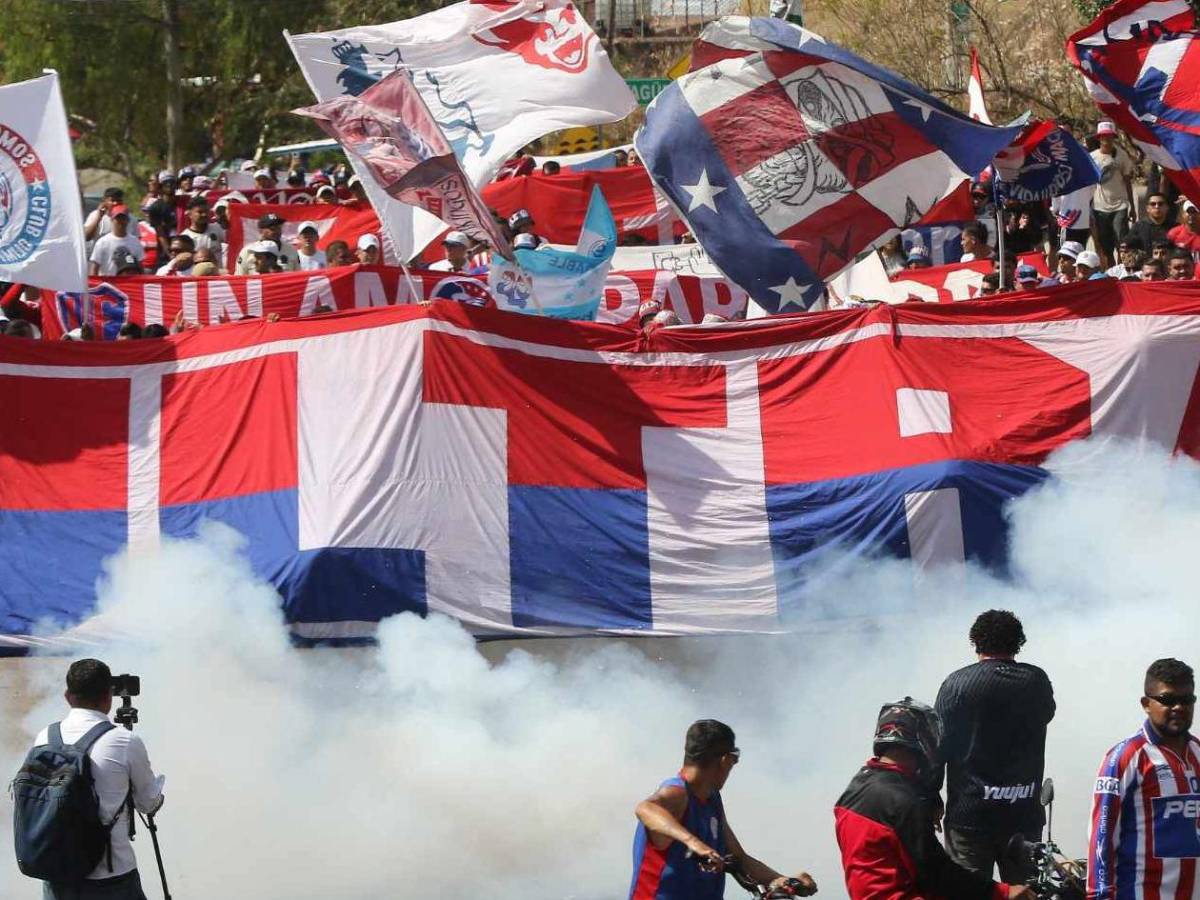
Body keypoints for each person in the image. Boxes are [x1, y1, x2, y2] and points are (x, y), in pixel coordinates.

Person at [835, 698, 1031, 900]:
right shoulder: (905, 802)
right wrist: (1001, 891)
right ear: (922, 738)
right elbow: (938, 874)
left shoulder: (856, 788)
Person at [630, 719, 816, 899]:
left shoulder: (711, 799)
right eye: (734, 760)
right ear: (725, 760)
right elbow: (645, 808)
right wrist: (694, 843)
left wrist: (784, 881)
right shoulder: (677, 793)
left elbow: (740, 859)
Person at [29, 659, 164, 900]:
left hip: (56, 876)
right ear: (108, 696)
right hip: (111, 879)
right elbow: (148, 803)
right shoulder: (124, 741)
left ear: (68, 697)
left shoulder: (44, 737)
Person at [935, 611, 1055, 882]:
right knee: (1028, 894)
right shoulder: (1036, 680)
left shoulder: (957, 683)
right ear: (1018, 643)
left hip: (969, 816)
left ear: (975, 641)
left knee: (968, 893)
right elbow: (1047, 714)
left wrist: (930, 796)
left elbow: (937, 745)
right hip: (1023, 813)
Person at [1088, 658, 1200, 900]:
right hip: (1141, 893)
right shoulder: (1126, 757)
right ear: (1146, 703)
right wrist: (1100, 895)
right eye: (1168, 700)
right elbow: (1102, 834)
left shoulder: (1198, 753)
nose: (1179, 707)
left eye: (1187, 700)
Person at [1090, 121, 1137, 264]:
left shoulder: (1121, 156)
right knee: (1106, 245)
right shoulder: (1092, 157)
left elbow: (1128, 181)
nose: (1106, 139)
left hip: (1120, 205)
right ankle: (1111, 273)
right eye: (1103, 136)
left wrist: (1132, 207)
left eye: (1109, 136)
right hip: (1100, 207)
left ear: (1113, 137)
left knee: (1121, 242)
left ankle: (1123, 269)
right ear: (1099, 138)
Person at [89, 206, 144, 276]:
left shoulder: (135, 241)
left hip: (127, 283)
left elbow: (140, 266)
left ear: (128, 220)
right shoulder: (102, 242)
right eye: (118, 218)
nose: (121, 221)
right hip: (108, 283)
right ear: (111, 220)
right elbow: (94, 267)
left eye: (123, 218)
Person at [179, 197, 223, 268]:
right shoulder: (185, 237)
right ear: (189, 214)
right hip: (198, 277)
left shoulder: (217, 228)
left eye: (206, 211)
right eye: (200, 212)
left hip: (218, 275)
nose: (204, 214)